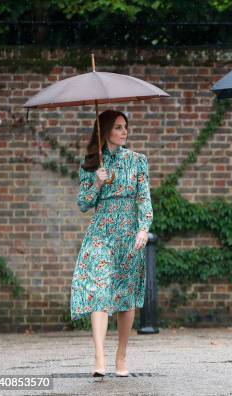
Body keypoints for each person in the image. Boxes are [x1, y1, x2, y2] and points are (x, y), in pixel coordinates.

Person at [70, 109, 153, 378]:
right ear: (105, 131)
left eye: (125, 126)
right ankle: (99, 357)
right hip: (101, 233)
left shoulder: (138, 161)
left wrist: (143, 229)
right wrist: (96, 181)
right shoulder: (91, 164)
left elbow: (144, 199)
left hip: (129, 234)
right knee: (99, 291)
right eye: (118, 127)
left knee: (125, 296)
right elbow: (83, 204)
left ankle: (121, 355)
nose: (124, 131)